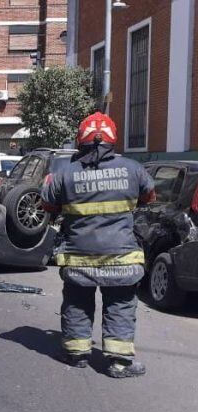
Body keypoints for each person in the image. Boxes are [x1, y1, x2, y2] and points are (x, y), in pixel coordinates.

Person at [40, 112, 155, 378]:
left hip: (79, 258)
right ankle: (119, 362)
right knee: (121, 305)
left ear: (80, 140)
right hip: (121, 258)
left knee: (77, 303)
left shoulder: (64, 173)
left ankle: (76, 353)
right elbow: (149, 196)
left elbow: (47, 204)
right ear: (112, 140)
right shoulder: (133, 168)